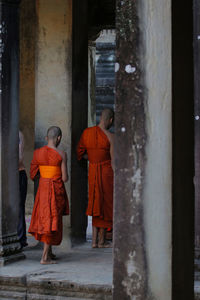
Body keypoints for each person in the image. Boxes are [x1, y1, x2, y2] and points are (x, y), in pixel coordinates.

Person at [28, 126, 69, 264]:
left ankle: (49, 253)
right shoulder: (62, 154)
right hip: (55, 189)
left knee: (46, 218)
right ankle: (44, 257)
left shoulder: (37, 153)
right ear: (59, 138)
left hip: (43, 189)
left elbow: (33, 174)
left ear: (46, 138)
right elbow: (64, 178)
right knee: (51, 220)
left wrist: (45, 176)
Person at [77, 108, 114, 248]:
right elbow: (115, 160)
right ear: (110, 120)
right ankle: (101, 240)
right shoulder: (111, 137)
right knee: (105, 205)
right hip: (107, 173)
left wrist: (93, 159)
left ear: (100, 118)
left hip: (93, 170)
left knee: (94, 204)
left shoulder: (87, 133)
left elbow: (80, 153)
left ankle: (93, 241)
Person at [18, 131, 28, 249]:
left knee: (19, 207)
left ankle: (20, 239)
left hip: (18, 173)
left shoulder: (18, 134)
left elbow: (19, 158)